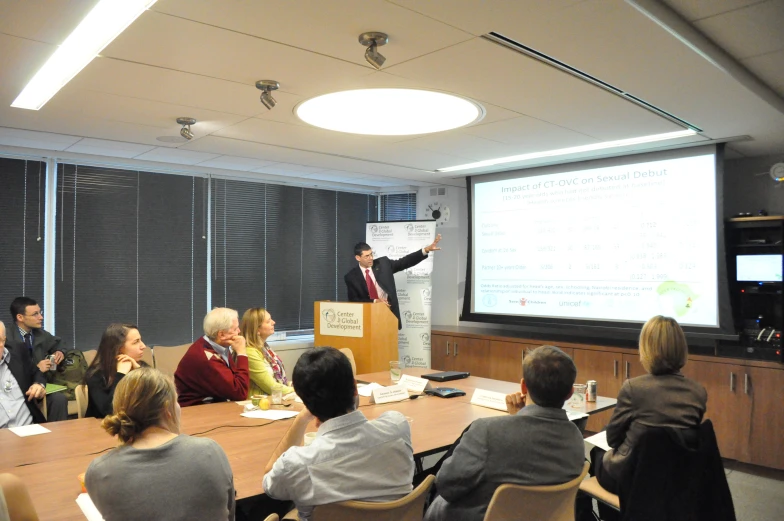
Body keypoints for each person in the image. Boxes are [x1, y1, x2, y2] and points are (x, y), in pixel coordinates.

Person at [424, 345, 585, 521]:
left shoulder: (487, 432)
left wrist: (515, 421)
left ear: (523, 386)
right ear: (570, 393)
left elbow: (447, 486)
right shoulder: (575, 437)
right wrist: (517, 419)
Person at [263, 347, 414, 521]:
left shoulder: (296, 464)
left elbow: (270, 477)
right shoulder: (397, 428)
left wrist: (302, 418)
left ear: (306, 403)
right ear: (355, 388)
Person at [85, 367, 235, 521]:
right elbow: (230, 515)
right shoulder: (211, 451)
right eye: (177, 401)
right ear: (167, 408)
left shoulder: (100, 471)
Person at [595, 315, 707, 494]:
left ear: (646, 348)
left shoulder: (634, 388)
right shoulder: (698, 392)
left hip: (633, 477)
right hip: (676, 478)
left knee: (596, 454)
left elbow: (613, 439)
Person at [344, 234, 442, 329]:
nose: (371, 258)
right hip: (365, 319)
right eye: (366, 256)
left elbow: (404, 262)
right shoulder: (351, 277)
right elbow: (354, 300)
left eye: (371, 254)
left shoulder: (383, 263)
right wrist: (374, 301)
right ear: (358, 258)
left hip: (388, 314)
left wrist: (425, 250)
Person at [5, 297, 67, 421]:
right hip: (17, 388)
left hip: (39, 384)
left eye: (40, 313)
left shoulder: (40, 334)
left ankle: (57, 436)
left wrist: (59, 352)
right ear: (20, 317)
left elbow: (59, 343)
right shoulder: (7, 338)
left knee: (59, 399)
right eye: (35, 314)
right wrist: (37, 368)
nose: (41, 317)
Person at [174, 307, 249, 407]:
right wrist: (241, 353)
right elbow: (240, 392)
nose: (239, 331)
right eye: (235, 329)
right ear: (221, 334)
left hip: (212, 405)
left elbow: (235, 382)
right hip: (194, 410)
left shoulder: (218, 346)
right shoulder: (205, 357)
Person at [83, 323, 148, 418]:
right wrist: (121, 374)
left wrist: (140, 372)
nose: (143, 346)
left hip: (135, 426)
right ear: (118, 348)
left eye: (140, 340)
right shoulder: (96, 374)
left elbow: (161, 402)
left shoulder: (142, 367)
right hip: (103, 427)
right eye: (136, 342)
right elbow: (109, 412)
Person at [0, 321, 47, 428]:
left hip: (30, 429)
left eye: (1, 340)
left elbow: (36, 372)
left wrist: (38, 384)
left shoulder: (17, 350)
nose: (0, 346)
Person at [240, 308, 293, 398]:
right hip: (259, 403)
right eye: (268, 321)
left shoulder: (265, 348)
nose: (273, 322)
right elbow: (271, 387)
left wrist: (292, 385)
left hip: (273, 398)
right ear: (257, 329)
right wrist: (298, 391)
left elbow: (277, 379)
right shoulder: (250, 353)